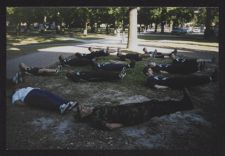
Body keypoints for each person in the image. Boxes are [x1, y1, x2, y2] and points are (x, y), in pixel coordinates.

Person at [73, 88, 193, 130]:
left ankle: (182, 103)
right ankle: (185, 105)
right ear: (83, 117)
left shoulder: (94, 111)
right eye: (82, 110)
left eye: (82, 107)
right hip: (131, 116)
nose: (84, 107)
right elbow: (109, 126)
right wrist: (125, 123)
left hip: (130, 109)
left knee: (154, 103)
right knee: (156, 109)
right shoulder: (94, 119)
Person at [11, 87, 78, 114]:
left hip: (35, 91)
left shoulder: (25, 88)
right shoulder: (15, 94)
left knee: (51, 95)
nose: (17, 88)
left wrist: (41, 90)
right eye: (16, 88)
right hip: (29, 96)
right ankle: (60, 107)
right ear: (14, 90)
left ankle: (68, 103)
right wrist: (27, 104)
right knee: (44, 99)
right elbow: (16, 102)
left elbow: (35, 88)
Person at [143, 67, 217, 89]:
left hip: (172, 79)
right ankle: (211, 78)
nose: (151, 70)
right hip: (171, 83)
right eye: (149, 70)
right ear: (147, 73)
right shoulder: (150, 79)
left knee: (191, 77)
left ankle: (210, 78)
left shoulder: (153, 76)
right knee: (190, 80)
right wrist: (168, 86)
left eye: (151, 69)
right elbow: (156, 86)